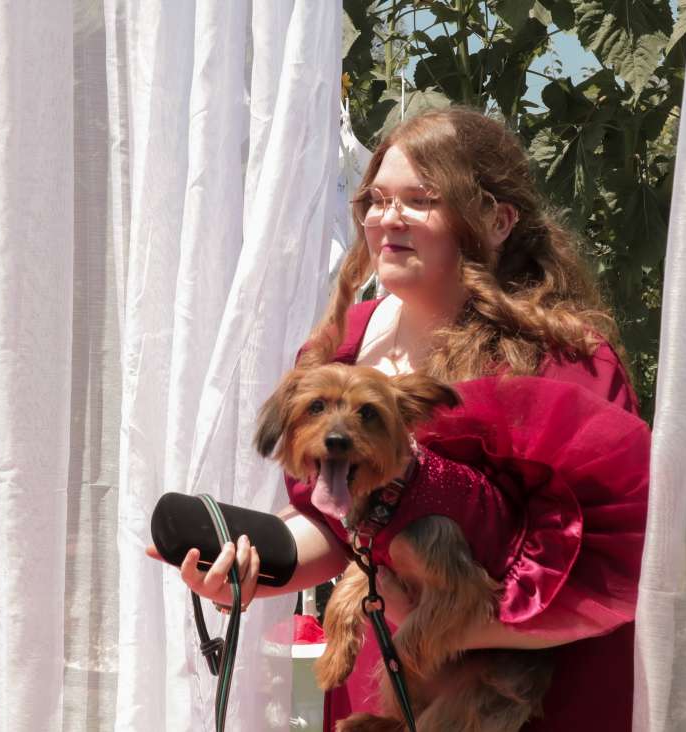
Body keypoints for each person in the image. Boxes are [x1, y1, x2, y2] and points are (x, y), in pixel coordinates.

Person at [147, 107, 649, 731]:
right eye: (378, 199)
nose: (388, 219)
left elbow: (611, 571)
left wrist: (427, 627)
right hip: (387, 681)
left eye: (421, 200)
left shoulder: (562, 359)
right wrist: (251, 578)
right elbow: (339, 527)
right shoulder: (343, 346)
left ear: (497, 220)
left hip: (527, 695)